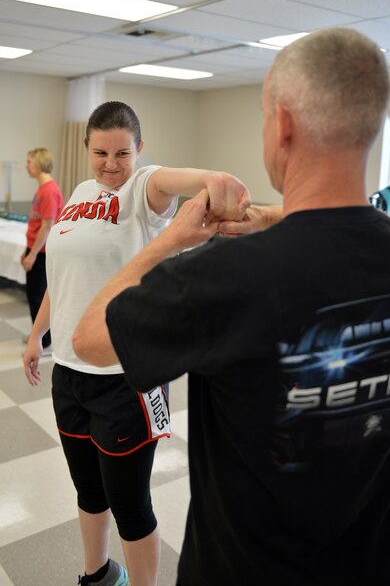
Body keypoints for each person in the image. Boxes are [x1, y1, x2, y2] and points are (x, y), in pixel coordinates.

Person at [73, 28, 390, 586]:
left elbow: (90, 337)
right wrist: (273, 216)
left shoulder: (223, 278)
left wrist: (168, 240)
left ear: (283, 125)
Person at [23, 100, 252, 586]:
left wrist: (213, 179)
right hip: (69, 373)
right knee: (88, 491)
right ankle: (97, 574)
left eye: (122, 153)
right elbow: (62, 275)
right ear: (87, 148)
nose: (111, 164)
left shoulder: (140, 192)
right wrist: (37, 333)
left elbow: (169, 179)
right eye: (101, 152)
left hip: (126, 379)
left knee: (129, 503)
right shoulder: (80, 193)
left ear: (139, 149)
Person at [21, 147, 64, 353]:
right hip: (36, 249)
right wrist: (28, 249)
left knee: (37, 295)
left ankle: (43, 341)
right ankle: (37, 335)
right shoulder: (42, 189)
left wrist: (32, 254)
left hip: (43, 252)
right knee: (33, 294)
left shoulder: (49, 191)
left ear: (38, 163)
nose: (26, 165)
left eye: (29, 161)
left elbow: (47, 226)